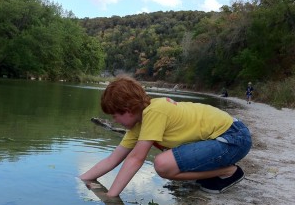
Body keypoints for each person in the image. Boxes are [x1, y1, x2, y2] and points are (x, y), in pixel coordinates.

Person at [80, 77, 252, 197]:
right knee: (170, 163)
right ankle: (212, 174)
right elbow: (112, 160)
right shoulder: (138, 125)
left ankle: (229, 172)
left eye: (115, 115)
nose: (114, 120)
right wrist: (83, 179)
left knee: (164, 165)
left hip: (233, 138)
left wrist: (111, 197)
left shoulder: (154, 111)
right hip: (221, 140)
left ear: (128, 109)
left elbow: (135, 159)